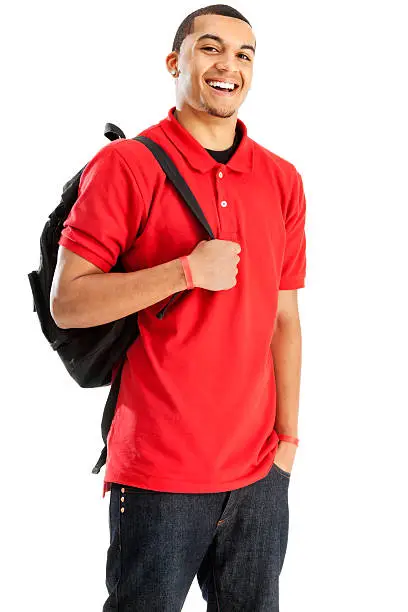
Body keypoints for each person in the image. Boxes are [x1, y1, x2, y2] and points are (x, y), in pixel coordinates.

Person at [51, 4, 306, 610]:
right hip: (157, 475)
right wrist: (187, 270)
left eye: (244, 55)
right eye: (211, 48)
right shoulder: (127, 167)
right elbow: (69, 302)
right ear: (176, 61)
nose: (229, 66)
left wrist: (287, 445)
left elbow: (285, 320)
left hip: (258, 476)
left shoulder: (281, 180)